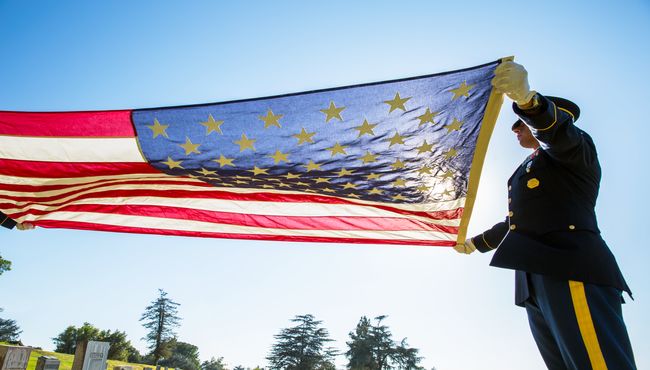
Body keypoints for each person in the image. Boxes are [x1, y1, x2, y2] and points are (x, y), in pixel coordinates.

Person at [455, 61, 636, 369]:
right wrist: (475, 243)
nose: (516, 127)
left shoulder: (575, 151)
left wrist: (530, 102)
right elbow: (516, 222)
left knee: (597, 364)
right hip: (533, 279)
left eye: (521, 121)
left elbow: (559, 135)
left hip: (570, 265)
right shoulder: (525, 168)